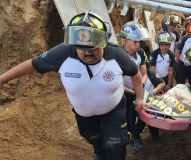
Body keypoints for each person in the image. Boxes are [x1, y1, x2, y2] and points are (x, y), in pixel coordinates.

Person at [0, 11, 144, 160]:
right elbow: (33, 64)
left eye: (93, 48)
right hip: (85, 117)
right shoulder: (62, 53)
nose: (88, 53)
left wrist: (139, 98)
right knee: (96, 141)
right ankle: (99, 152)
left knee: (115, 148)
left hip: (114, 112)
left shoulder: (117, 55)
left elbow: (135, 74)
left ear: (104, 42)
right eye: (82, 48)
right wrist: (2, 79)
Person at [119, 21, 149, 152]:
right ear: (125, 40)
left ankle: (136, 134)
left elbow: (144, 73)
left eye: (139, 42)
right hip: (123, 92)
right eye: (134, 42)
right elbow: (115, 78)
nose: (138, 45)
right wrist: (129, 90)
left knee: (143, 113)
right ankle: (131, 136)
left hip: (138, 90)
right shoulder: (118, 54)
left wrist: (139, 88)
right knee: (128, 117)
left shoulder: (141, 53)